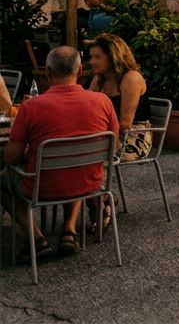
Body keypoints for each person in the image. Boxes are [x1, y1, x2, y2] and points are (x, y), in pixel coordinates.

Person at [2, 47, 119, 260]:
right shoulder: (103, 102)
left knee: (2, 180)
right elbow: (115, 146)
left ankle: (36, 238)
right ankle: (68, 230)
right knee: (75, 167)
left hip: (42, 186)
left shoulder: (31, 107)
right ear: (81, 70)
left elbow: (10, 157)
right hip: (89, 184)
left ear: (47, 72)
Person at [86, 34, 152, 165]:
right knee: (72, 149)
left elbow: (125, 125)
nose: (91, 62)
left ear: (113, 57)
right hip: (107, 132)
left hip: (133, 137)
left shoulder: (131, 79)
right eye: (91, 57)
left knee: (84, 154)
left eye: (97, 57)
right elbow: (85, 106)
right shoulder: (100, 79)